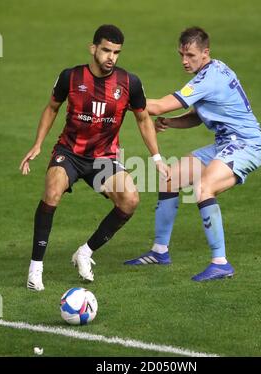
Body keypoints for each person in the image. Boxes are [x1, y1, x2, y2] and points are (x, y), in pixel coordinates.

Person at [20, 24, 169, 291]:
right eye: (106, 50)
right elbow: (52, 107)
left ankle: (85, 252)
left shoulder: (129, 83)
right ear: (93, 49)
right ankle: (35, 268)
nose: (111, 57)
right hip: (70, 152)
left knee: (130, 200)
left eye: (116, 52)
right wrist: (38, 144)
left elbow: (143, 118)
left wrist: (157, 158)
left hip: (104, 159)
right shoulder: (71, 77)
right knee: (52, 191)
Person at [124, 26, 261, 281]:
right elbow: (197, 117)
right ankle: (159, 251)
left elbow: (156, 107)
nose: (184, 61)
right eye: (181, 54)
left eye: (190, 55)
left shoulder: (208, 79)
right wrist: (172, 123)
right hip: (226, 143)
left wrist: (122, 96)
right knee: (170, 178)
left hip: (247, 145)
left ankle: (220, 262)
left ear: (205, 53)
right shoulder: (213, 70)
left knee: (204, 188)